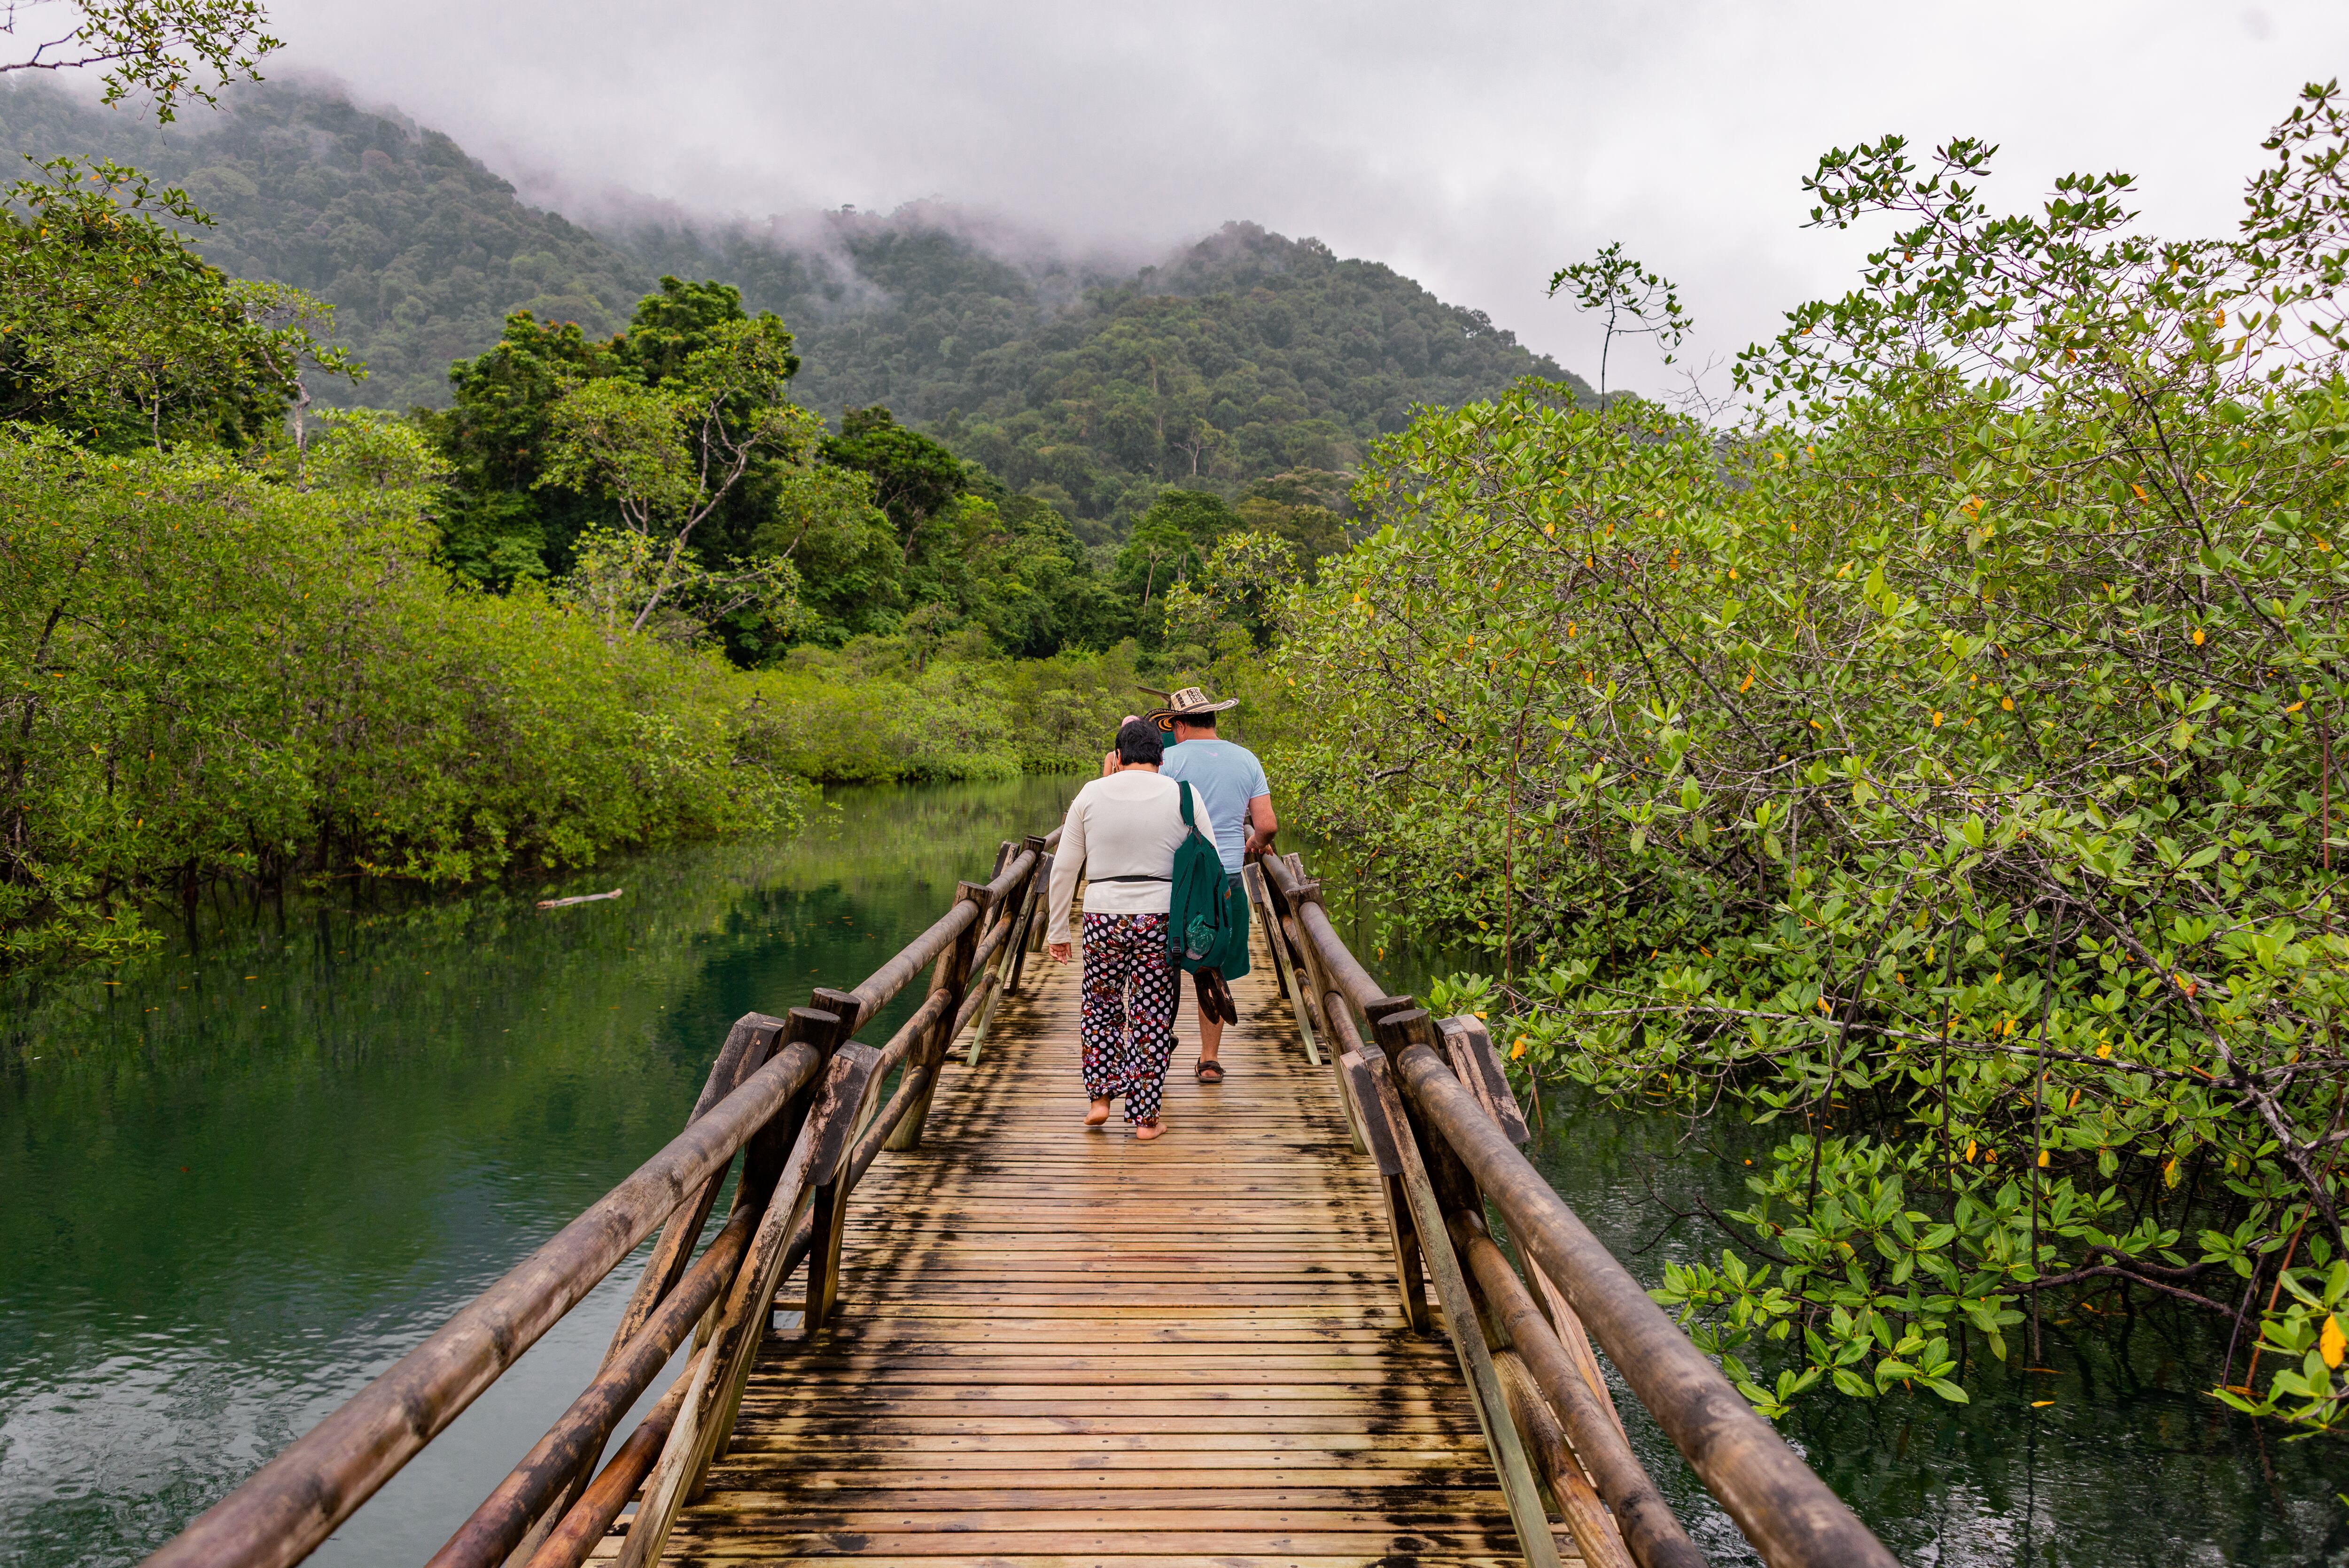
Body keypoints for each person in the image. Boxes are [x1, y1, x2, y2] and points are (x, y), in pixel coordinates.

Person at [1047, 718, 1189, 1140]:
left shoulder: (1091, 793)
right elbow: (1211, 862)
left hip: (1102, 915)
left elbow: (1065, 868)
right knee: (1152, 1013)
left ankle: (1100, 1100)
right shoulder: (1182, 794)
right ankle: (1146, 1120)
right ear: (1161, 757)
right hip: (1161, 917)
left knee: (1101, 1006)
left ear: (1119, 757)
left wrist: (1058, 930)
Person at [1149, 685, 1277, 1083]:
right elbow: (1267, 825)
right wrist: (1255, 843)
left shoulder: (1167, 760)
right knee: (1212, 966)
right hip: (1227, 879)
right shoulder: (1247, 760)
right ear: (1213, 720)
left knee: (1161, 965)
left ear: (1181, 726)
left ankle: (1156, 1047)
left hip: (1178, 881)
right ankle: (1209, 1060)